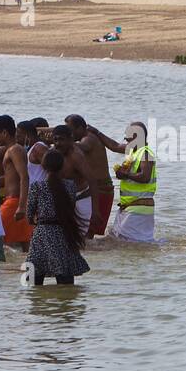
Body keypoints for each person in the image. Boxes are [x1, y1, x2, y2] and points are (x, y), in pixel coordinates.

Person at [26, 150, 90, 285]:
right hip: (64, 232)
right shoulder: (70, 186)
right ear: (62, 166)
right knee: (65, 279)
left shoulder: (37, 186)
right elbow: (70, 208)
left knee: (34, 280)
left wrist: (35, 221)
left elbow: (29, 215)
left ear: (43, 166)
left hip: (42, 233)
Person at [66, 114, 113, 238]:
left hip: (101, 190)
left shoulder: (89, 138)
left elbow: (84, 147)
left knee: (89, 234)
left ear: (81, 128)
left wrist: (63, 142)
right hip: (96, 190)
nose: (70, 135)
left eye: (71, 131)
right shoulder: (86, 137)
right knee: (87, 234)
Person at [0, 115, 32, 251]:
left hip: (14, 202)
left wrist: (21, 206)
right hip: (15, 201)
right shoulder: (12, 149)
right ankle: (22, 270)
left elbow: (24, 177)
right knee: (24, 244)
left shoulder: (14, 150)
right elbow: (11, 177)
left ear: (5, 133)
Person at [50, 125, 95, 235]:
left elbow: (92, 181)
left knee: (79, 239)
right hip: (63, 201)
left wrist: (96, 211)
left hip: (81, 200)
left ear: (71, 140)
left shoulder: (76, 156)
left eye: (61, 139)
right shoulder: (53, 153)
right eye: (55, 140)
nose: (58, 143)